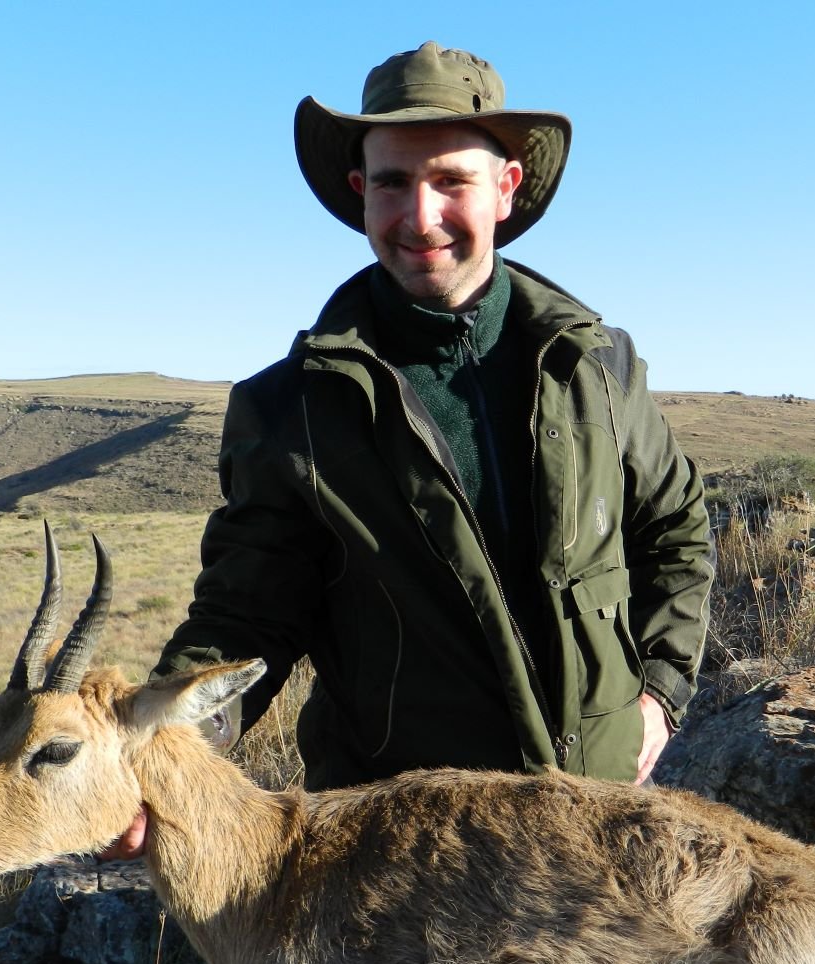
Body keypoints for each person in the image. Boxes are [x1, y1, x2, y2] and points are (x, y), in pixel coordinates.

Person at [117, 41, 712, 852]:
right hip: (402, 851)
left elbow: (673, 529)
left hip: (597, 821)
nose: (420, 216)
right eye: (394, 182)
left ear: (506, 190)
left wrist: (661, 694)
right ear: (361, 193)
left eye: (451, 181)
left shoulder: (596, 364)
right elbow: (245, 618)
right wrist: (150, 766)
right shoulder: (289, 406)